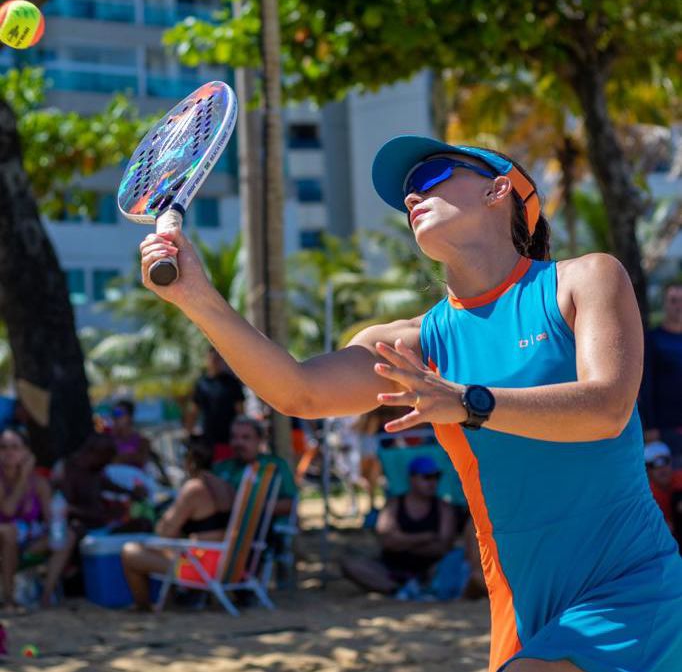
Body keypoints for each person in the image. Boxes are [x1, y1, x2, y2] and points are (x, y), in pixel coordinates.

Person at [139, 134, 682, 672]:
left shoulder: (584, 279)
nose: (411, 198)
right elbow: (295, 391)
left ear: (499, 190)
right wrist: (197, 298)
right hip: (520, 600)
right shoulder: (416, 342)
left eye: (429, 178)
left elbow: (606, 408)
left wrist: (467, 401)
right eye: (406, 194)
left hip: (632, 582)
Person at [121, 438, 234, 611]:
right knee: (171, 548)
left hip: (202, 568)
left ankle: (142, 607)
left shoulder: (194, 488)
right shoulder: (225, 486)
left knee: (130, 552)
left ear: (188, 460)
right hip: (228, 563)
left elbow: (164, 531)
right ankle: (169, 601)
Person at [341, 455, 455, 595]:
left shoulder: (444, 508)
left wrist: (402, 540)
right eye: (426, 477)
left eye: (436, 477)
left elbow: (443, 547)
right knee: (351, 564)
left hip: (430, 569)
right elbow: (387, 541)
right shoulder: (394, 505)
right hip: (391, 569)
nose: (433, 482)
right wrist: (426, 537)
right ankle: (400, 590)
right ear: (412, 479)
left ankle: (407, 590)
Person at [0, 428, 76, 609]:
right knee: (9, 532)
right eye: (3, 447)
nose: (9, 452)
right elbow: (8, 511)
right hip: (4, 540)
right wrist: (23, 477)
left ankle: (46, 595)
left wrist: (59, 520)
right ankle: (9, 599)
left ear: (27, 452)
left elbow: (51, 520)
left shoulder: (39, 483)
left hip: (28, 542)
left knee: (68, 536)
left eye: (15, 447)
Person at [213, 416, 295, 519]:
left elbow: (291, 503)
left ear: (259, 440)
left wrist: (250, 506)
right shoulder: (221, 467)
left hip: (263, 528)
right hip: (222, 526)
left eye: (246, 437)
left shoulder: (275, 465)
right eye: (234, 437)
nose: (239, 443)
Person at [639, 281, 682, 466]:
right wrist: (650, 425)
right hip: (666, 429)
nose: (678, 306)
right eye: (673, 300)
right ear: (664, 304)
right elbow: (646, 384)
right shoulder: (653, 339)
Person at [185, 347, 245, 462]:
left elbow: (240, 411)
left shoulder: (232, 383)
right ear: (207, 360)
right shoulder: (201, 384)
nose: (215, 361)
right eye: (212, 358)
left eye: (218, 358)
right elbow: (193, 410)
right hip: (208, 439)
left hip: (229, 439)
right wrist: (189, 432)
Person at [644, 441, 682, 547]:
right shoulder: (646, 495)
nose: (662, 469)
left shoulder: (680, 478)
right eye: (654, 465)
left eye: (665, 461)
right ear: (647, 470)